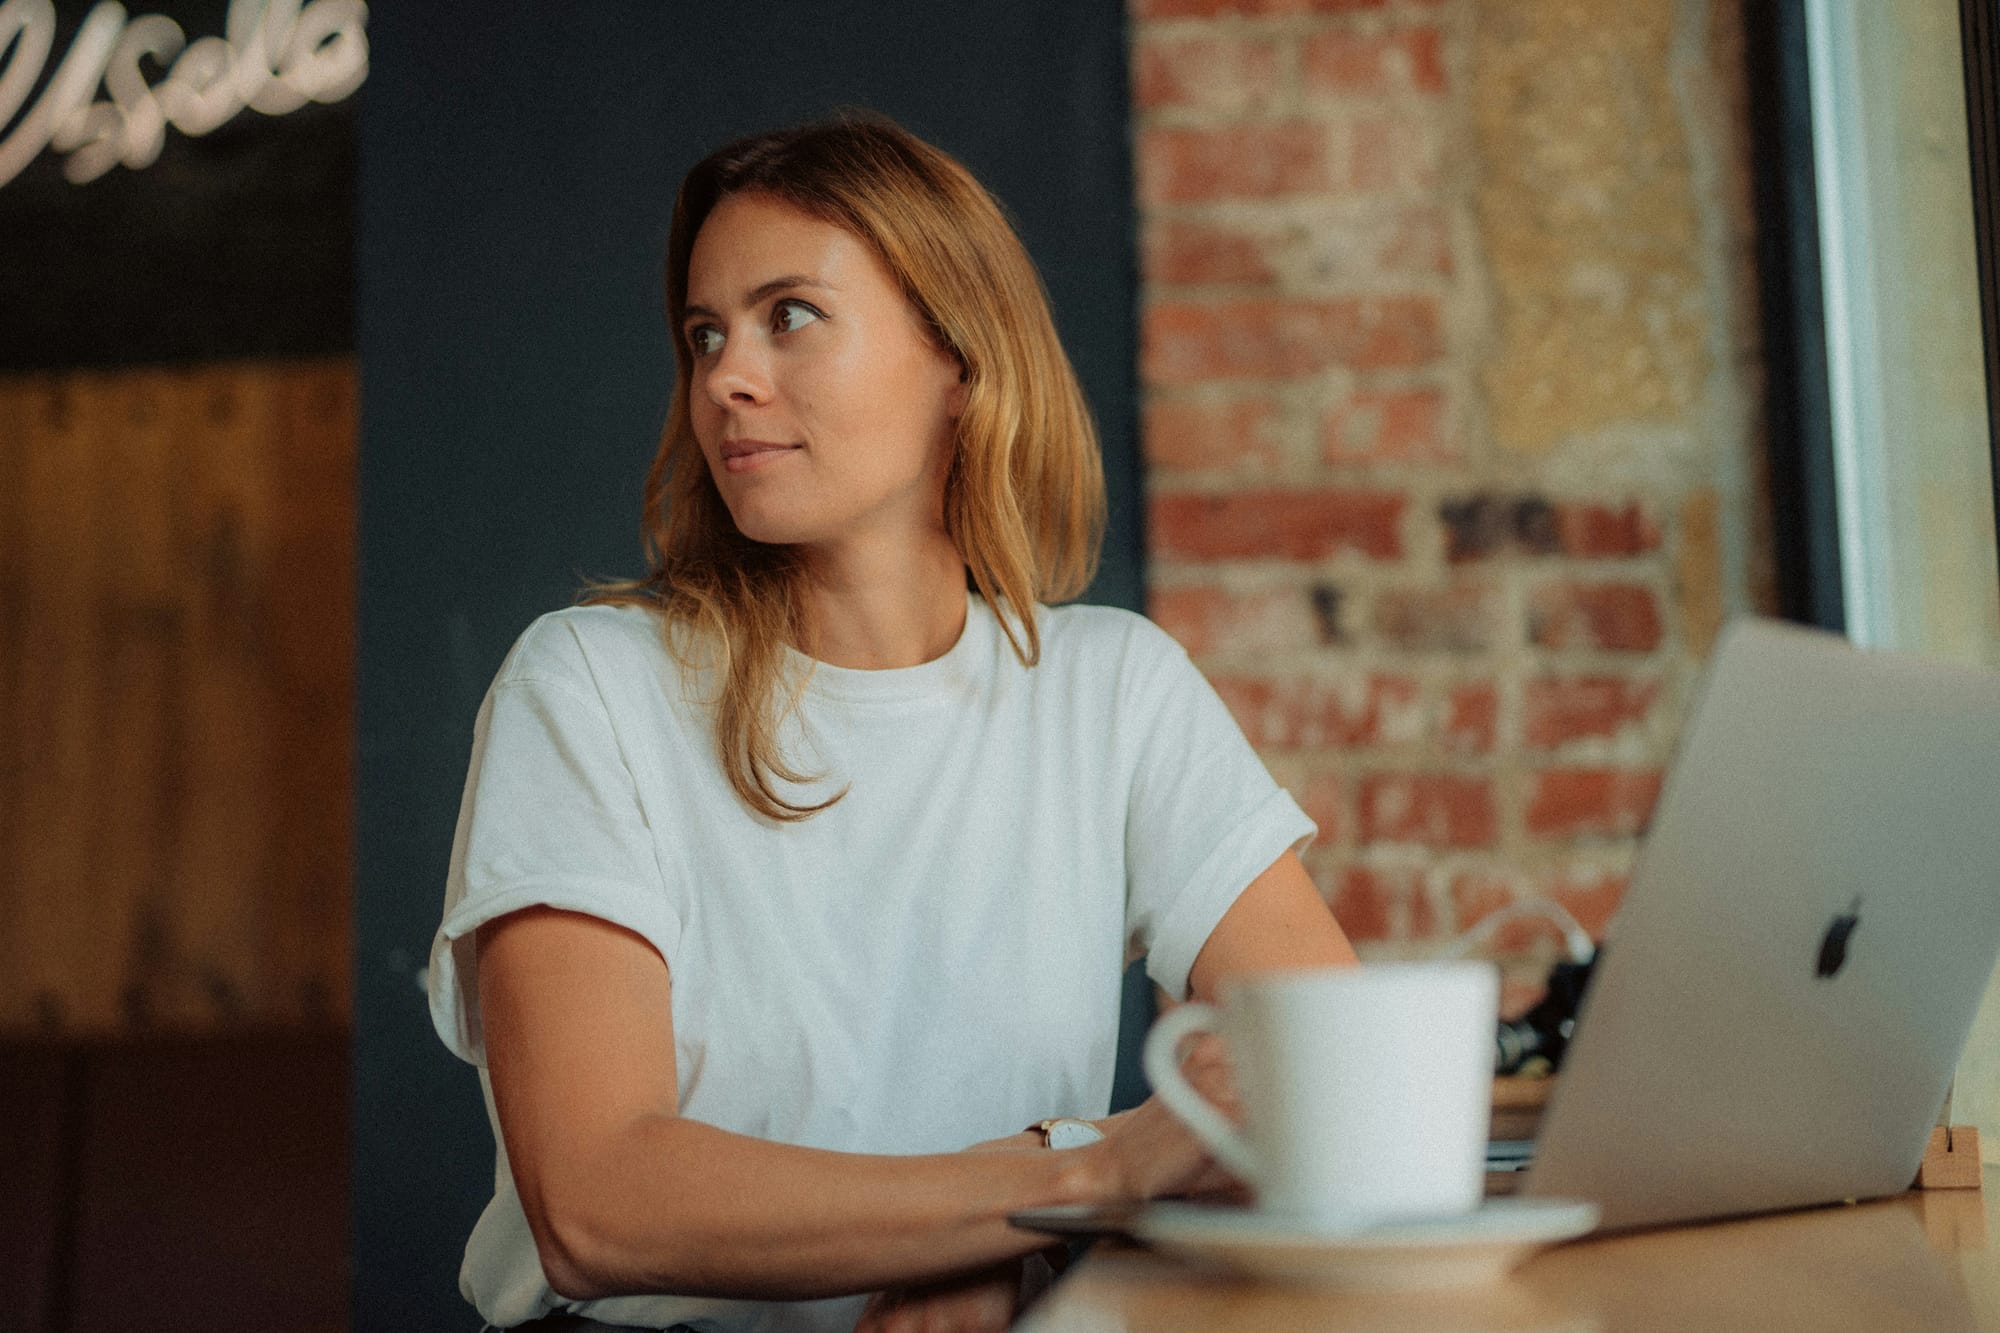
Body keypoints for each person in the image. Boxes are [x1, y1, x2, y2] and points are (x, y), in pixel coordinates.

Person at [427, 112, 1358, 1333]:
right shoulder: (589, 685)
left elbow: (1330, 1087)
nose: (724, 378)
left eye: (788, 316)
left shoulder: (1111, 688)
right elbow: (599, 1205)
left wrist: (996, 1228)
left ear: (958, 361)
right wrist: (1068, 1179)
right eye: (704, 335)